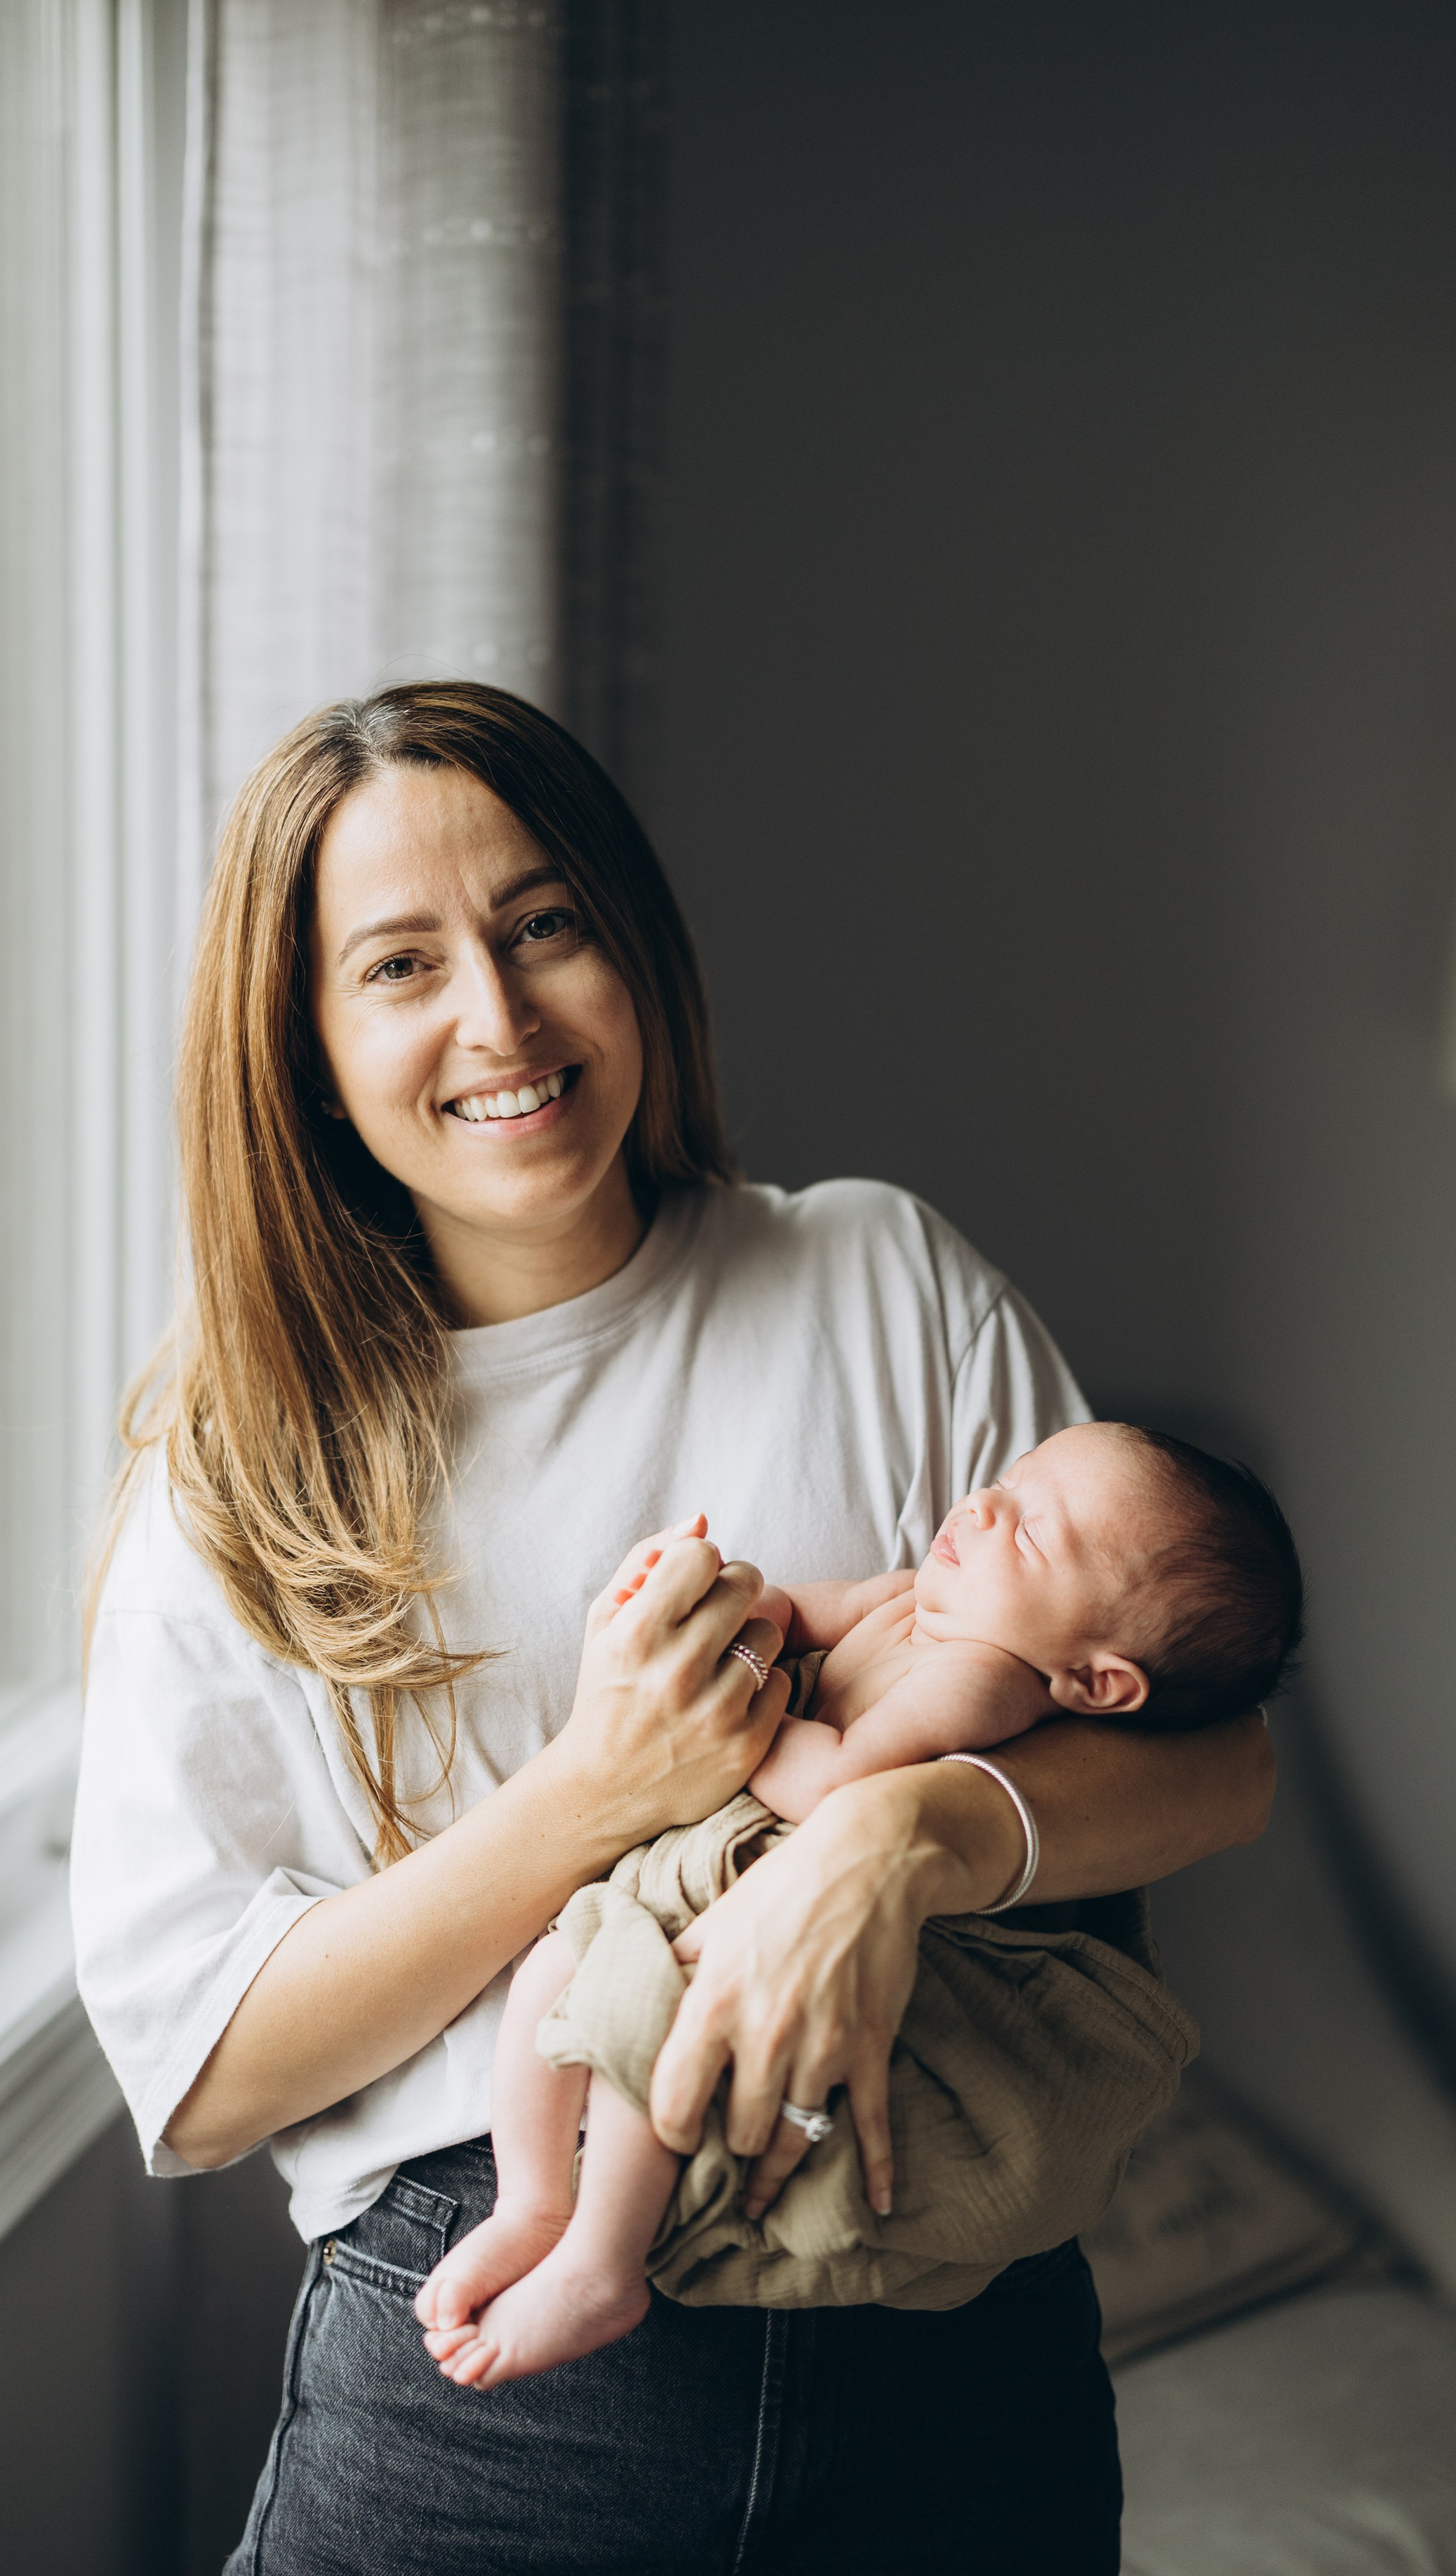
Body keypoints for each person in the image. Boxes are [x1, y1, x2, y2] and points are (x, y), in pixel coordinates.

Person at [69, 683, 1274, 2576]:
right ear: (303, 1050)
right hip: (496, 2372)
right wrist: (588, 1798)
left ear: (631, 948)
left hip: (941, 2350)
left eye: (543, 924)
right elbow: (205, 2068)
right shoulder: (247, 1464)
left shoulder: (878, 1278)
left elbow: (1215, 1759)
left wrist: (899, 1838)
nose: (499, 1015)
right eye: (399, 965)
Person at [415, 1422, 1302, 2389]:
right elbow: (794, 1614)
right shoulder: (912, 1602)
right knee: (551, 1971)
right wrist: (708, 1612)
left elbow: (846, 1786)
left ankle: (601, 2261)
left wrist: (734, 1723)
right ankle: (534, 2203)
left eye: (1034, 1534)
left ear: (1095, 1679)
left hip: (783, 1881)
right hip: (717, 1863)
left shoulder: (984, 1682)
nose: (983, 1507)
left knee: (652, 2029)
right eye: (1007, 1482)